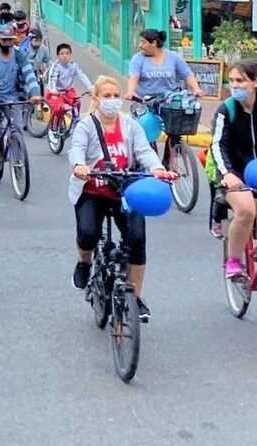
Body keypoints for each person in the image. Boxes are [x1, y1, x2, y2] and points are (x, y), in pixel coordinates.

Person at [68, 76, 176, 321]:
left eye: (116, 95)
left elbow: (144, 151)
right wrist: (79, 165)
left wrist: (157, 170)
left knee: (136, 239)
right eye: (106, 96)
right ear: (96, 99)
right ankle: (84, 263)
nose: (113, 101)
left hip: (124, 190)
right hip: (92, 190)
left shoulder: (130, 124)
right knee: (87, 234)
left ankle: (135, 297)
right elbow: (76, 149)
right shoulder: (86, 125)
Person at [211, 62, 257, 278]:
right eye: (232, 81)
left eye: (240, 80)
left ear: (255, 82)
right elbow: (216, 145)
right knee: (247, 210)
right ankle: (234, 261)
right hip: (234, 173)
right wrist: (227, 173)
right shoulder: (226, 109)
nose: (234, 86)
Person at [0, 24, 41, 146]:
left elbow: (29, 74)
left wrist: (36, 93)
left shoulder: (19, 54)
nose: (7, 43)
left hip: (12, 94)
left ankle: (18, 159)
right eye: (4, 40)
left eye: (10, 39)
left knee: (17, 128)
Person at [125, 29, 204, 100]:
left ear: (154, 43)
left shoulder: (173, 57)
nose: (140, 45)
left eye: (143, 42)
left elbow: (187, 74)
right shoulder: (138, 58)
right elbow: (133, 76)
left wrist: (196, 89)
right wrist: (130, 91)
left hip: (169, 102)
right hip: (145, 102)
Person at [46, 43, 92, 112]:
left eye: (67, 53)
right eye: (62, 54)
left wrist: (90, 87)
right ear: (58, 56)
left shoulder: (74, 65)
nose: (65, 56)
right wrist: (54, 92)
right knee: (59, 108)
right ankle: (56, 122)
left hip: (68, 91)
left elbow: (82, 76)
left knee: (77, 103)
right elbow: (52, 80)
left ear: (70, 55)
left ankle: (75, 120)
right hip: (55, 92)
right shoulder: (55, 67)